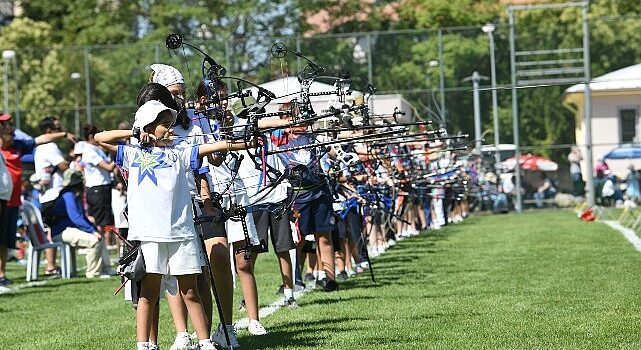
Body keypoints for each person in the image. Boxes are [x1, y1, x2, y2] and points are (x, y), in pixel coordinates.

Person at [95, 98, 247, 350]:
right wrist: (135, 133)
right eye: (164, 124)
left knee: (190, 291)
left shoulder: (180, 153)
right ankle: (144, 344)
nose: (171, 129)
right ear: (148, 127)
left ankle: (204, 342)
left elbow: (213, 146)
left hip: (182, 234)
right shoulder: (133, 154)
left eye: (171, 124)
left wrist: (243, 142)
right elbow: (101, 137)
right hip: (151, 235)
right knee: (149, 293)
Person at [1, 113, 76, 281]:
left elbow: (39, 139)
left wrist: (63, 134)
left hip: (12, 199)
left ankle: (2, 275)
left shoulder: (17, 145)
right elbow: (62, 165)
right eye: (5, 125)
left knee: (5, 240)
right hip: (8, 198)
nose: (10, 128)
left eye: (10, 124)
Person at [49, 169, 114, 278]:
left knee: (100, 237)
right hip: (61, 231)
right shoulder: (68, 195)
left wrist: (94, 229)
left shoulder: (73, 194)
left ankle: (106, 269)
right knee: (95, 241)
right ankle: (93, 273)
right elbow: (76, 218)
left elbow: (81, 217)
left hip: (68, 229)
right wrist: (92, 231)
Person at [82, 124, 116, 247]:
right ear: (91, 136)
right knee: (100, 222)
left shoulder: (96, 148)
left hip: (102, 187)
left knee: (103, 221)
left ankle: (101, 248)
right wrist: (120, 152)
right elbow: (108, 167)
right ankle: (98, 247)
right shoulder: (90, 150)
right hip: (97, 188)